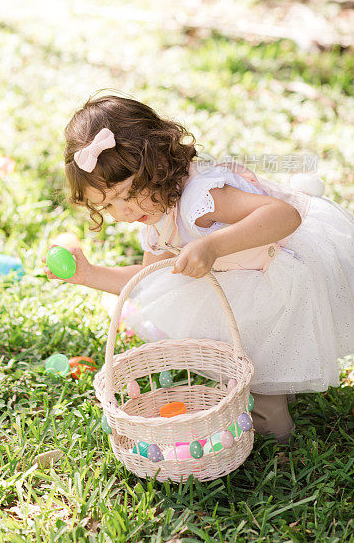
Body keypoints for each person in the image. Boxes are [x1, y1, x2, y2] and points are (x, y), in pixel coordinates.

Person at [44, 93, 354, 442]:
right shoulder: (158, 217)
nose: (125, 211)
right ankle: (277, 391)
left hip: (288, 267)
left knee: (258, 348)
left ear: (159, 164)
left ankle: (273, 430)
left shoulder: (200, 198)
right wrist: (88, 274)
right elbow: (151, 280)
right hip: (249, 274)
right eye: (109, 204)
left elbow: (284, 215)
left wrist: (212, 244)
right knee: (246, 339)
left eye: (130, 193)